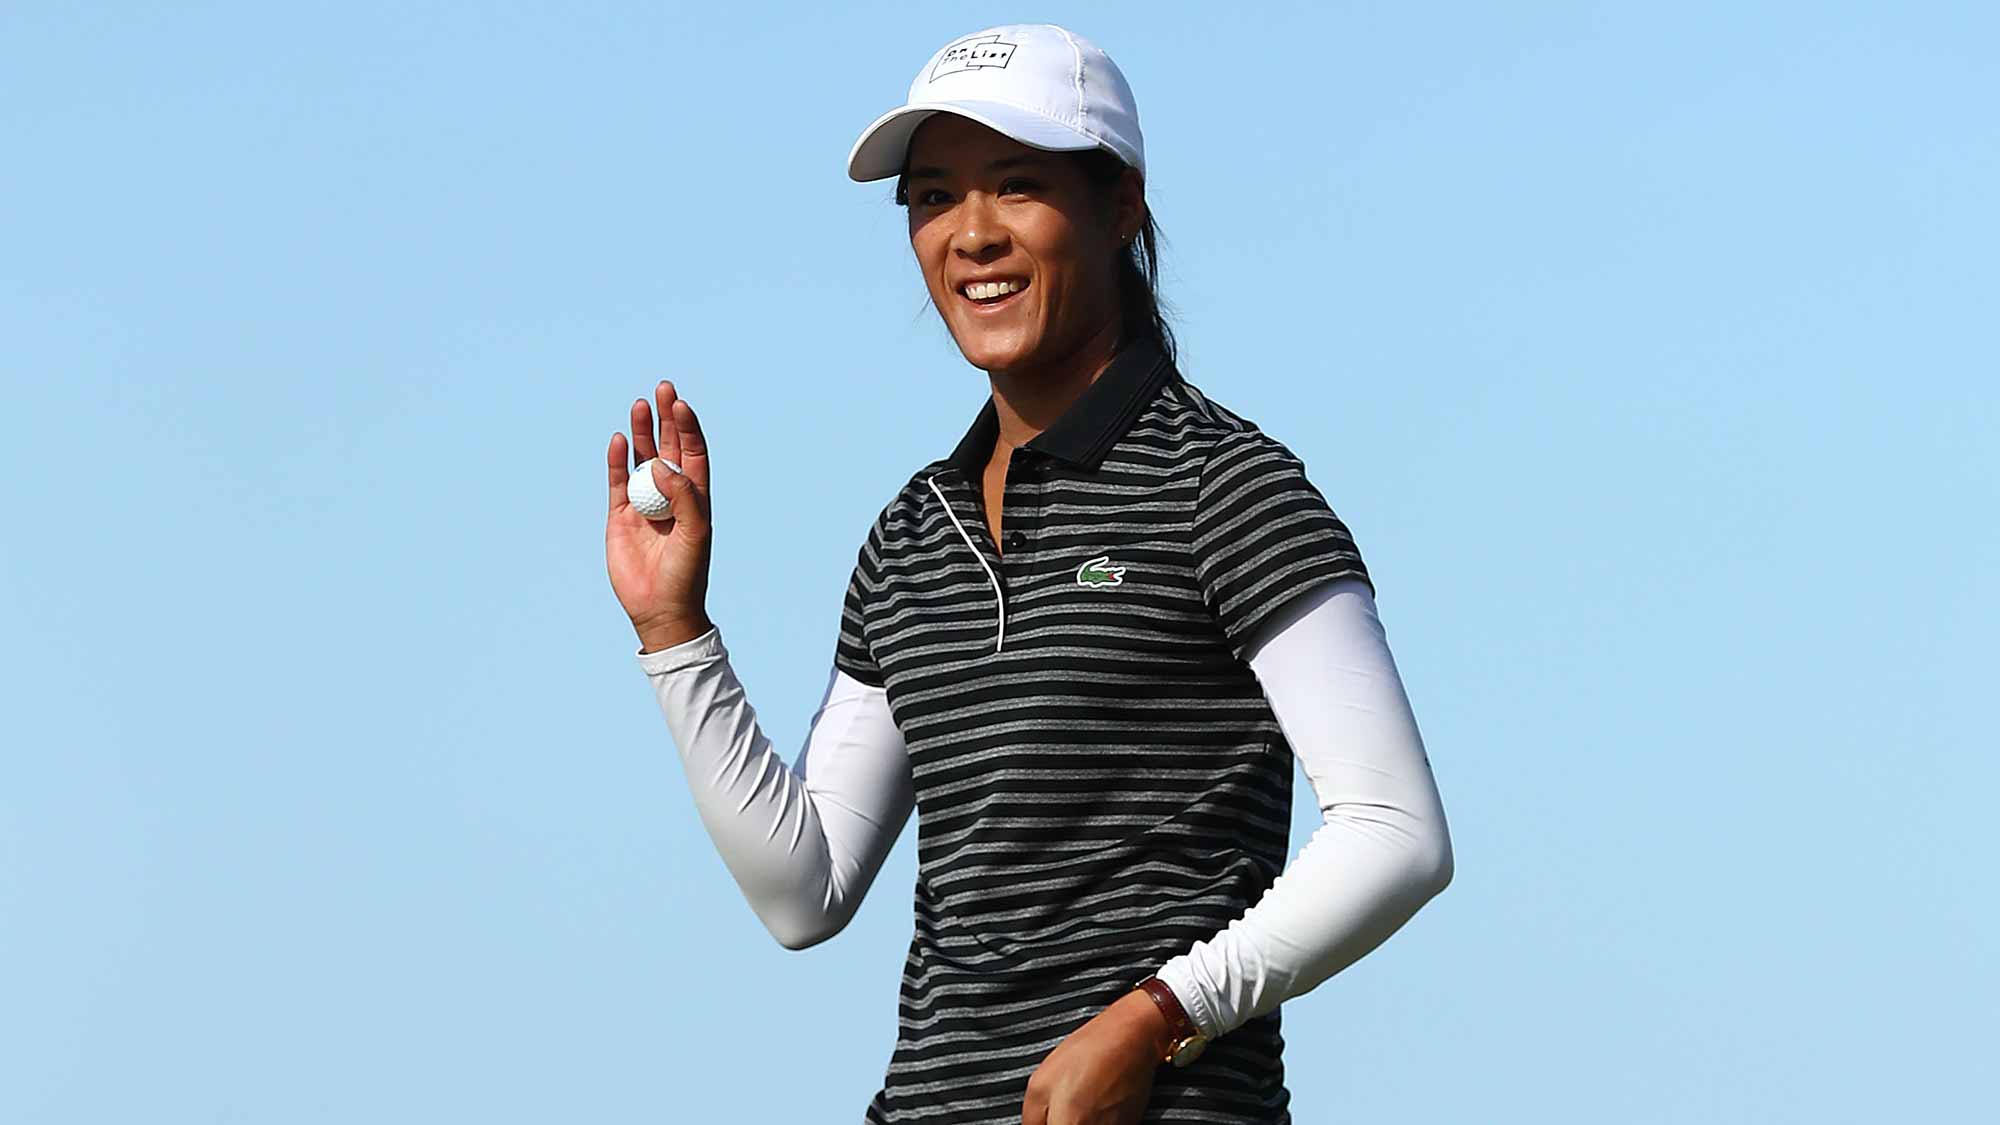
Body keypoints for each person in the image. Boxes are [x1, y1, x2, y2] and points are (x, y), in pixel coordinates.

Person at [602, 23, 1454, 1125]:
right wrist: (675, 633)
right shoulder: (913, 534)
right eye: (932, 198)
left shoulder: (1226, 488)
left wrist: (1155, 1015)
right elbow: (802, 888)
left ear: (1119, 208)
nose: (971, 236)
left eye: (1016, 187)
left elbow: (1396, 833)